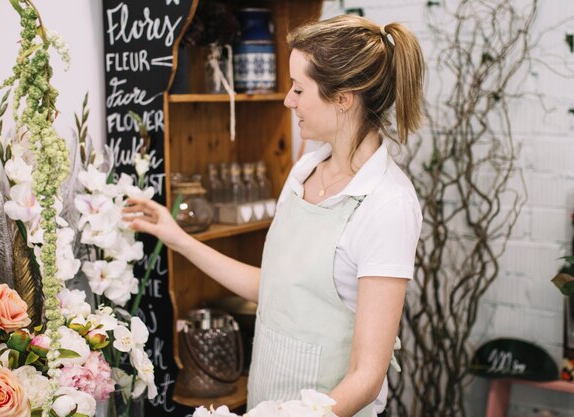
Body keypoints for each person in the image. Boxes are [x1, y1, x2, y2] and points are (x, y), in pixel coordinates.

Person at [124, 15, 424, 417]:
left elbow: (366, 379)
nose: (288, 100)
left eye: (299, 88)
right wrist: (175, 234)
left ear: (343, 98)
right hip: (265, 397)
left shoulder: (388, 205)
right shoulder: (304, 174)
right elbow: (277, 290)